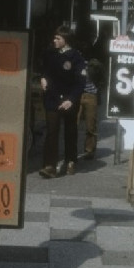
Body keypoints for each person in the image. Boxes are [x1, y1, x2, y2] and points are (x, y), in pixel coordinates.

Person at [39, 25, 87, 178]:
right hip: (52, 97)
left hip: (69, 99)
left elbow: (80, 82)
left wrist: (72, 100)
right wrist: (43, 78)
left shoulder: (76, 57)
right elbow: (45, 69)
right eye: (54, 37)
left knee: (70, 131)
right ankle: (50, 166)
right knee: (52, 131)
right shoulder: (50, 54)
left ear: (66, 40)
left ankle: (70, 160)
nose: (54, 40)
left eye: (58, 38)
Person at [77, 55, 103, 160]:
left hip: (91, 95)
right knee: (72, 124)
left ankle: (89, 150)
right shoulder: (74, 62)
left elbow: (101, 77)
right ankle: (70, 151)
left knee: (90, 125)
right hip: (77, 95)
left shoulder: (94, 64)